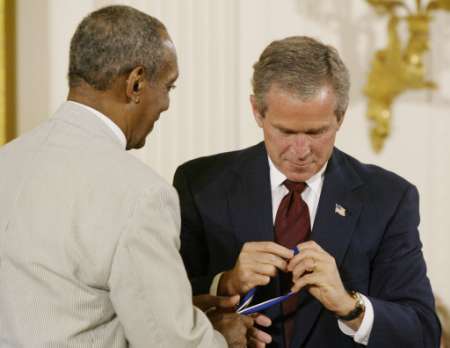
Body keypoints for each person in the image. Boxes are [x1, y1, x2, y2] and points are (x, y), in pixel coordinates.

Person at [0, 5, 269, 347]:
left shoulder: (6, 161)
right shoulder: (139, 193)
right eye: (169, 87)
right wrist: (219, 337)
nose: (167, 105)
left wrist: (182, 312)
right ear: (136, 83)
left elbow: (59, 302)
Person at [173, 36, 441, 347]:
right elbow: (158, 304)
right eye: (285, 131)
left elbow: (423, 332)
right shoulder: (200, 183)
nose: (300, 151)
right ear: (257, 112)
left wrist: (349, 305)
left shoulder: (389, 198)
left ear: (340, 117)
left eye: (316, 132)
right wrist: (226, 282)